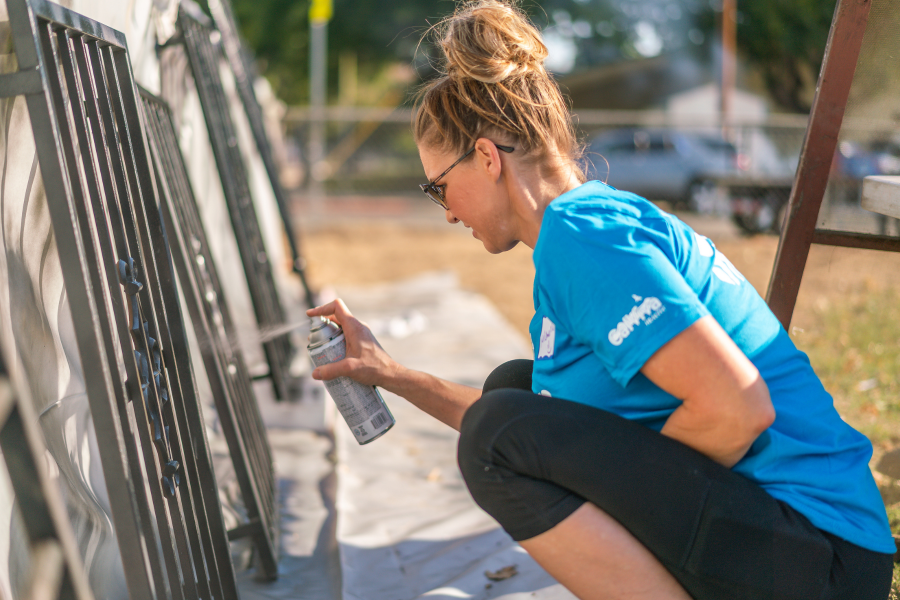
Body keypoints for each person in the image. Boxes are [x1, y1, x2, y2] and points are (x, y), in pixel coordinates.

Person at [306, 1, 896, 598]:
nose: (448, 210)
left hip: (822, 558)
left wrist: (614, 496)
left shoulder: (584, 241)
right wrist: (391, 375)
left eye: (440, 188)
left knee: (498, 434)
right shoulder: (581, 232)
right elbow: (537, 431)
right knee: (511, 392)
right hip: (798, 544)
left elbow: (738, 409)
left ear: (486, 158)